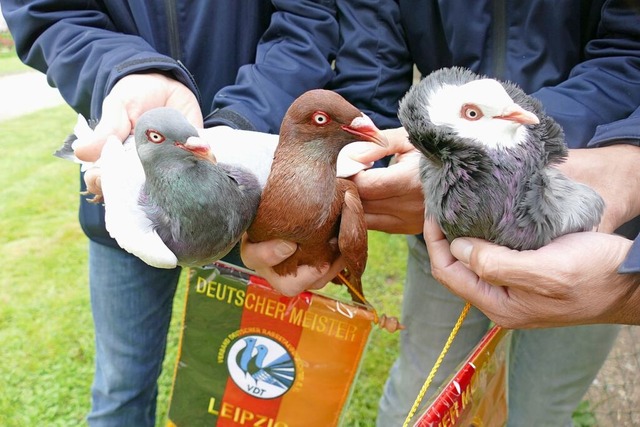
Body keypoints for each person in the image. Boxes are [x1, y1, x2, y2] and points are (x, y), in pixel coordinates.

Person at [1, 1, 412, 426]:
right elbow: (46, 12)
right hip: (140, 193)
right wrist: (128, 70)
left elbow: (305, 19)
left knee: (245, 385)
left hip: (251, 197)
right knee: (120, 390)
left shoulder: (243, 171)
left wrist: (237, 125)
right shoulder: (132, 207)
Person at [241, 1, 640, 426]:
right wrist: (342, 187)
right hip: (441, 230)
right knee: (419, 398)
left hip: (591, 227)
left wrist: (499, 152)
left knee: (542, 407)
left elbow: (630, 52)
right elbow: (369, 74)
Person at [423, 106, 640, 329]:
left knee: (558, 359)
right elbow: (617, 74)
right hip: (460, 257)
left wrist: (631, 288)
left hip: (592, 257)